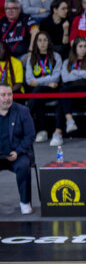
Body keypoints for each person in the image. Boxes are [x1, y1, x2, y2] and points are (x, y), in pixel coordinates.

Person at [0, 82, 34, 214]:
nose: (7, 98)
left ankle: (25, 202)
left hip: (16, 154)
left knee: (24, 165)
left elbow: (30, 135)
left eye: (9, 94)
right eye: (3, 95)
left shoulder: (23, 111)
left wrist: (18, 152)